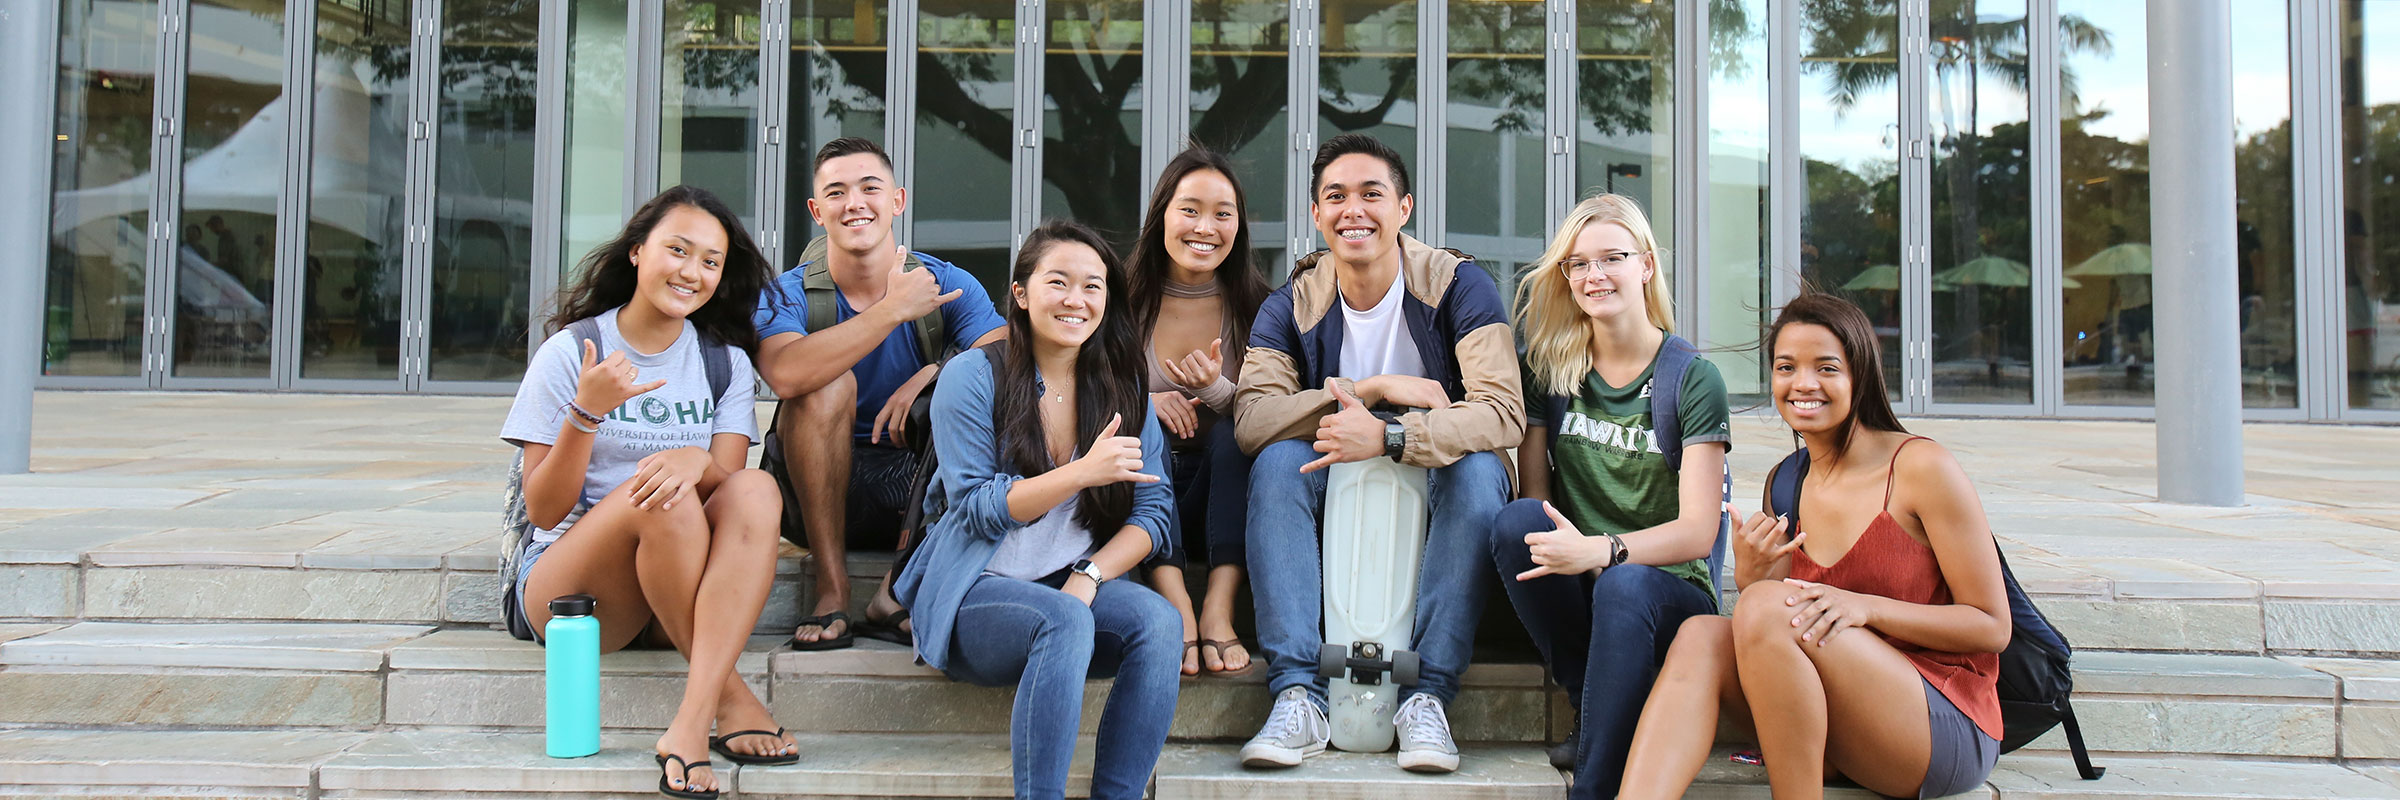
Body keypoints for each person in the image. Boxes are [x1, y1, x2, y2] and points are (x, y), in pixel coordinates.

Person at [1615, 292, 2011, 800]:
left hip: (1942, 724)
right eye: (1786, 367)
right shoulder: (1786, 482)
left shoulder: (1920, 469)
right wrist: (1754, 576)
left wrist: (1865, 608)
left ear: (1859, 376)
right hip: (1843, 722)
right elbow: (1782, 636)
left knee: (1764, 607)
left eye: (1826, 367)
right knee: (1699, 635)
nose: (1803, 384)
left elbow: (1992, 625)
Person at [1234, 133, 1522, 774]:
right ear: (1316, 214)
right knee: (1277, 463)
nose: (1353, 210)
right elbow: (1253, 420)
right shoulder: (1293, 301)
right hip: (1335, 463)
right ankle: (1298, 696)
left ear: (1405, 207)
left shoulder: (1459, 286)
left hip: (1440, 465)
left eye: (1372, 194)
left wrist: (1393, 437)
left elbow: (1503, 413)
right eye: (1335, 196)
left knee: (1480, 474)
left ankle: (1428, 699)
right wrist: (1370, 391)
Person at [500, 185, 795, 799]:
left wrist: (695, 459)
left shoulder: (724, 364)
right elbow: (543, 508)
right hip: (575, 596)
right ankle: (728, 699)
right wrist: (586, 412)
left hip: (670, 588)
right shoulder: (574, 352)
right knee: (661, 491)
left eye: (710, 261)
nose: (692, 272)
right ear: (637, 252)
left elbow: (728, 482)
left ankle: (687, 725)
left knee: (758, 490)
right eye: (677, 250)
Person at [892, 220, 1182, 800]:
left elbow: (1153, 513)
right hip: (976, 589)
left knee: (1158, 622)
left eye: (1093, 286)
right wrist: (1080, 471)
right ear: (1021, 294)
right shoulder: (973, 377)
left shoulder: (1124, 388)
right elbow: (975, 506)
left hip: (1067, 584)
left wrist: (1091, 574)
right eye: (1059, 282)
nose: (1076, 300)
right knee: (1064, 618)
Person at [1485, 194, 1730, 798]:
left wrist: (1601, 551)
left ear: (1646, 265)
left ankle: (1593, 784)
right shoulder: (1549, 369)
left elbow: (1700, 531)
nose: (1595, 275)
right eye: (1578, 264)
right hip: (1586, 584)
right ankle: (1589, 705)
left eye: (1613, 257)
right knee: (1514, 523)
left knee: (1624, 581)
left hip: (1667, 590)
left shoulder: (1691, 378)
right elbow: (1539, 507)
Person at [753, 137, 1008, 650]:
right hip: (816, 493)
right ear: (816, 210)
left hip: (915, 493)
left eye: (870, 188)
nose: (855, 203)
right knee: (825, 384)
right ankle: (832, 586)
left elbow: (1010, 359)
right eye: (837, 192)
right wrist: (890, 311)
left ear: (897, 201)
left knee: (967, 387)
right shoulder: (787, 292)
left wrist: (938, 369)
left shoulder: (946, 283)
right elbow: (784, 373)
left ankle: (895, 591)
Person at [1126, 145, 1271, 676]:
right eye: (1189, 209)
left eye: (1222, 213)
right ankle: (1175, 600)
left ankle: (1218, 605)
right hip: (1132, 500)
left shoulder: (1263, 308)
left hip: (1221, 498)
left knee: (1236, 434)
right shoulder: (1115, 300)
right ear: (1162, 214)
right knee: (1139, 428)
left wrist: (1216, 391)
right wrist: (1141, 400)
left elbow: (1275, 413)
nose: (1204, 227)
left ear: (1239, 225)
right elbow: (1070, 391)